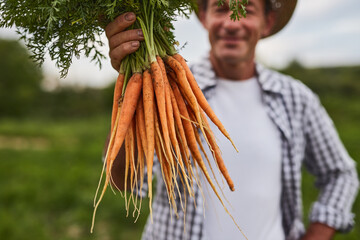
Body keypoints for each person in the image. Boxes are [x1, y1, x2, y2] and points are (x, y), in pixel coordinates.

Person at [104, 0, 359, 239]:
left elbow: (341, 174)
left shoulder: (296, 98)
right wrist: (131, 87)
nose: (232, 23)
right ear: (204, 17)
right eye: (221, 8)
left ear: (267, 22)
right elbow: (125, 180)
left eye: (246, 10)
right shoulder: (169, 90)